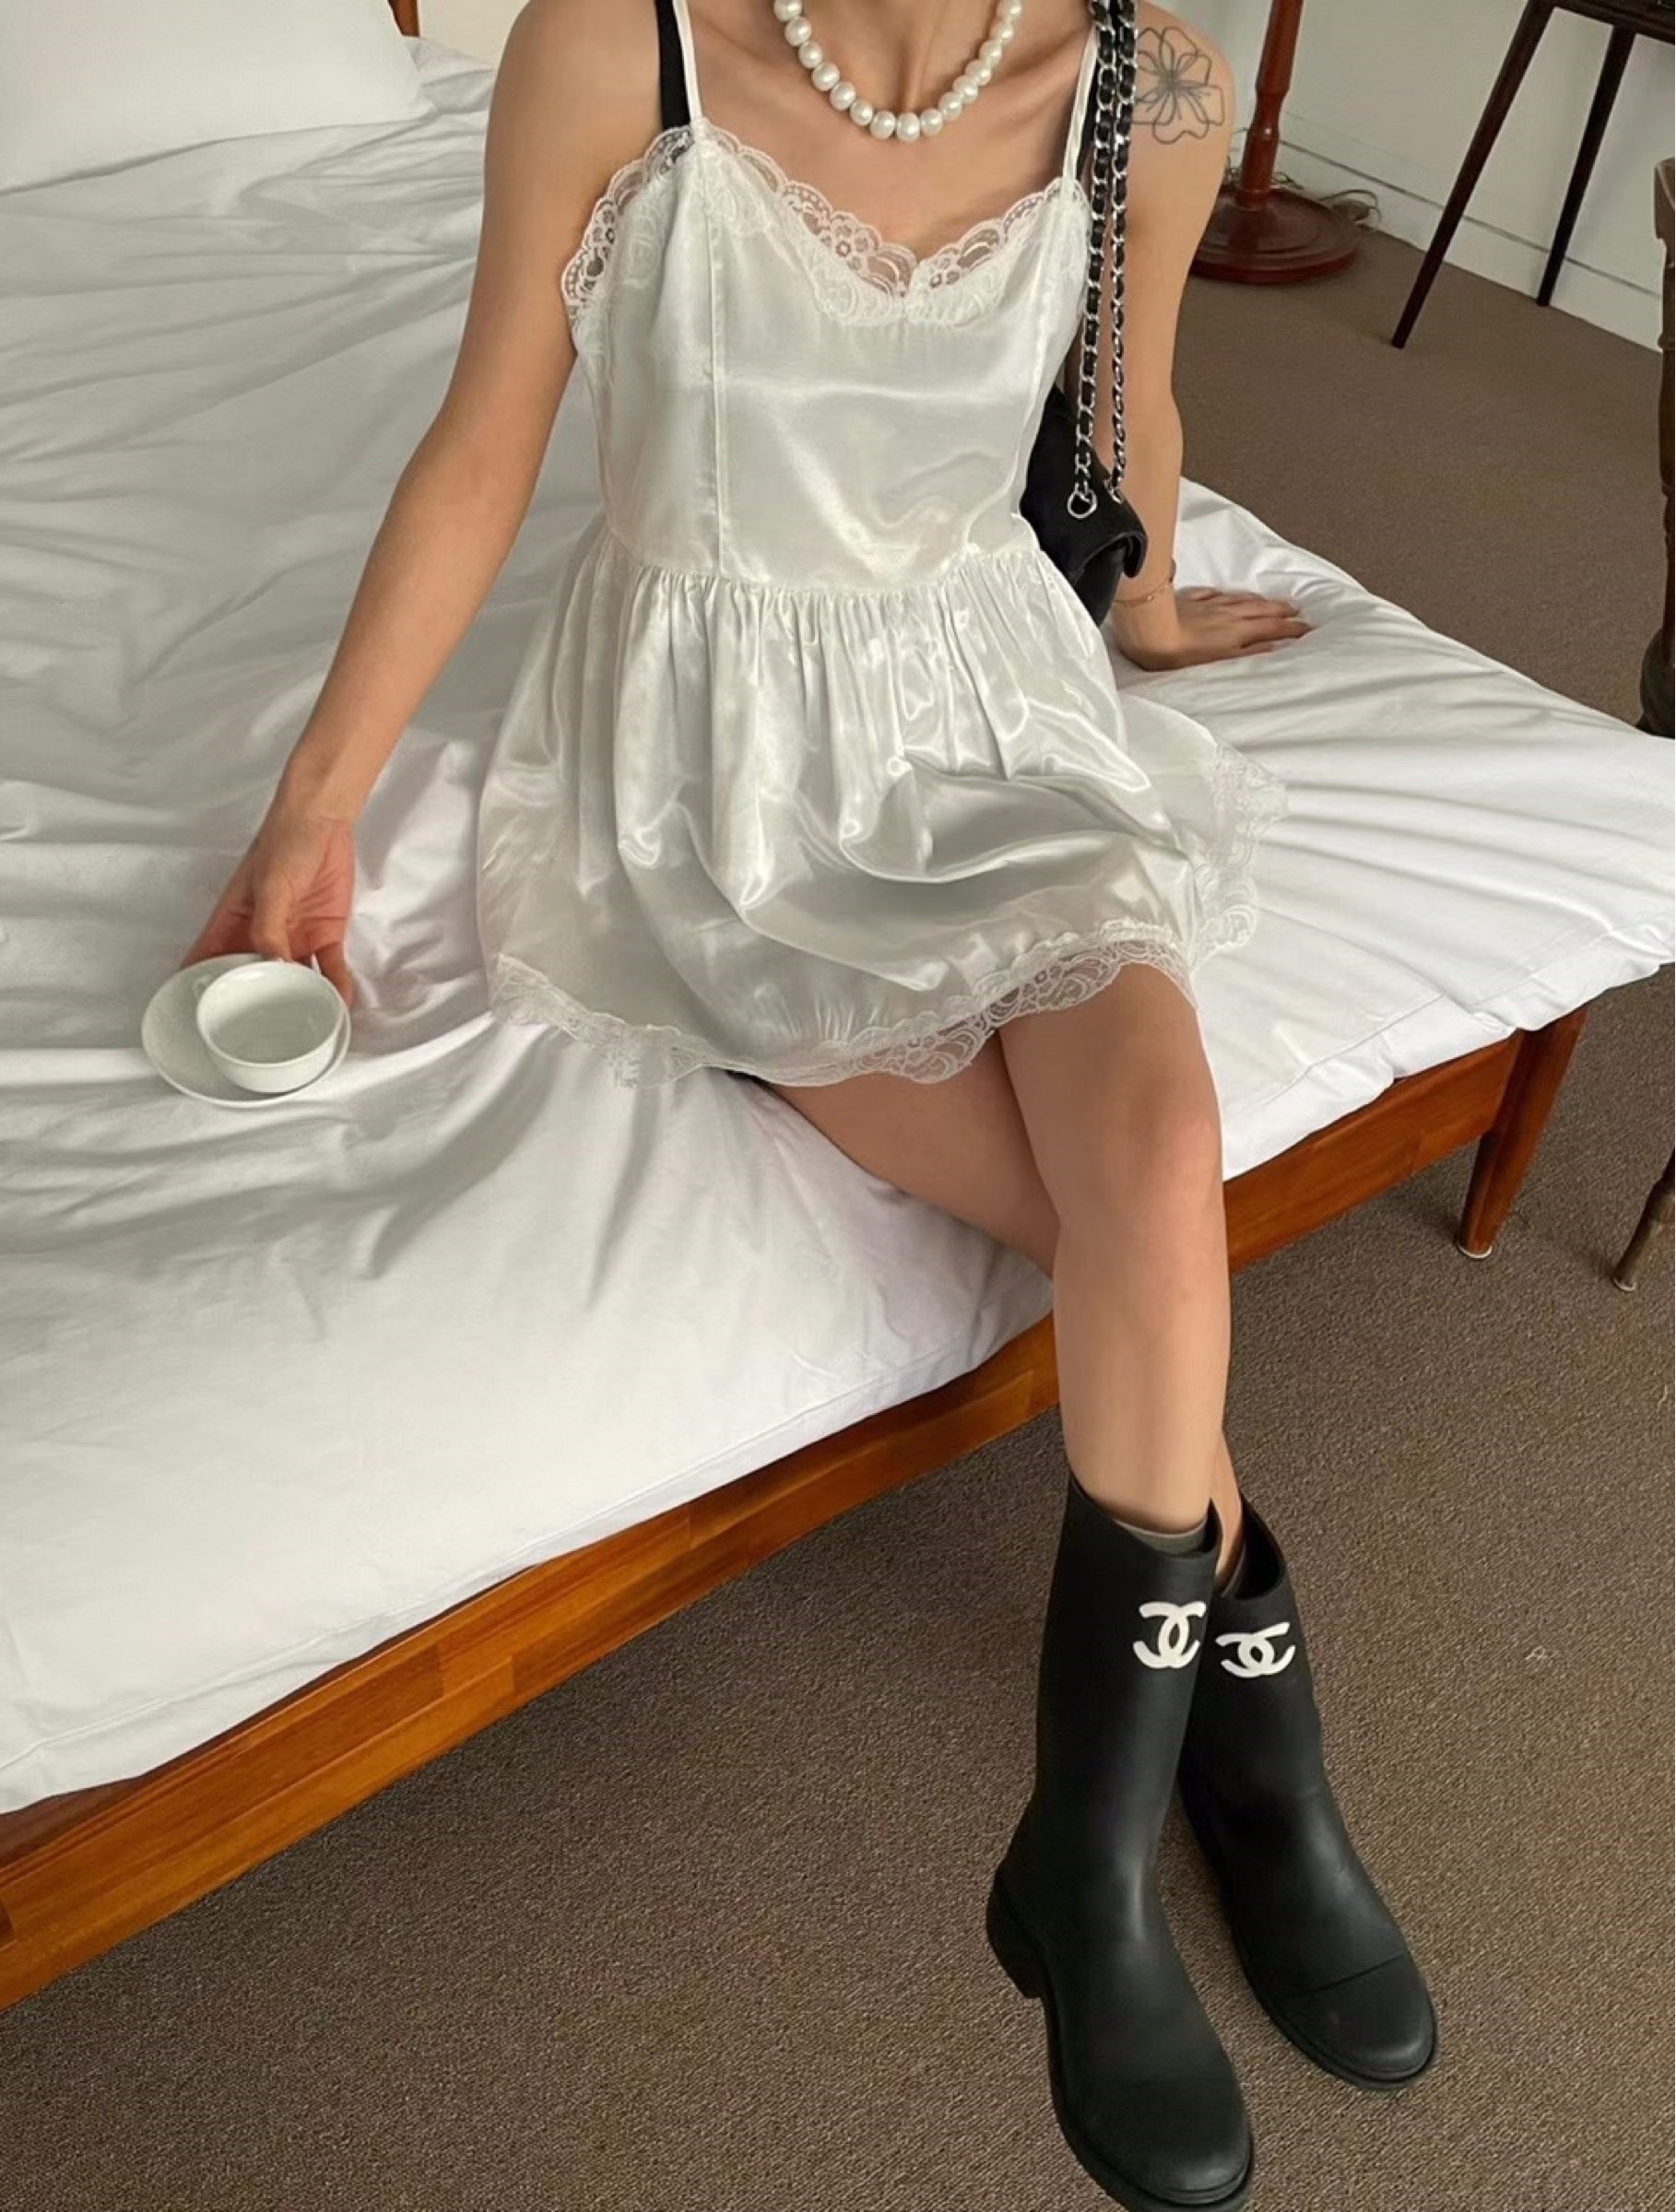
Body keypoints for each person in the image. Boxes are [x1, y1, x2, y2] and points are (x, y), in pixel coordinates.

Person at [182, 2, 1435, 2205]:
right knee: (1116, 1236)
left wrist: (1144, 610)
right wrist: (316, 804)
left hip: (992, 705)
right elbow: (488, 435)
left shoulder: (1144, 82)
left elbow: (1124, 398)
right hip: (717, 770)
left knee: (1151, 1159)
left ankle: (1088, 1857)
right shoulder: (618, 41)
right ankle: (1250, 1712)